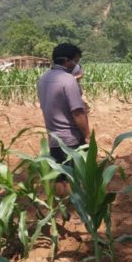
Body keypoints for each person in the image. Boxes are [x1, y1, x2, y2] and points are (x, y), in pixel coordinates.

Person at [37, 43, 90, 196]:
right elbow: (78, 113)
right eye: (76, 61)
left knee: (59, 176)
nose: (77, 65)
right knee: (73, 177)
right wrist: (87, 135)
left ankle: (63, 210)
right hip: (71, 139)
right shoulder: (68, 80)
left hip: (53, 137)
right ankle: (74, 210)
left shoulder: (43, 79)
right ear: (67, 61)